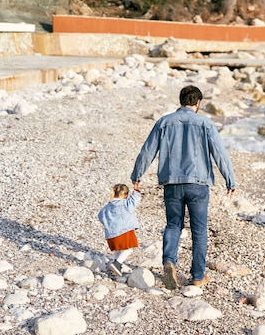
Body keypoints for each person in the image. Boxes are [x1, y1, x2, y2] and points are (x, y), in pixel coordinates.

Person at [131, 85, 236, 290]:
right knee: (199, 230)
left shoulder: (164, 122)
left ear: (181, 101)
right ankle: (197, 276)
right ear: (198, 103)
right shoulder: (205, 123)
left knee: (173, 225)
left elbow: (147, 151)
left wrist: (136, 176)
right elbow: (220, 154)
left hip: (172, 183)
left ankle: (169, 261)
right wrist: (230, 180)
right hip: (198, 184)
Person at [97, 183, 141, 277]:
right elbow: (135, 198)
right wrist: (136, 188)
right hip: (124, 232)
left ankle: (114, 268)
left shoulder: (107, 207)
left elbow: (100, 216)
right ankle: (117, 264)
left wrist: (109, 223)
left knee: (118, 250)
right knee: (128, 250)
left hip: (111, 234)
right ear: (125, 195)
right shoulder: (126, 204)